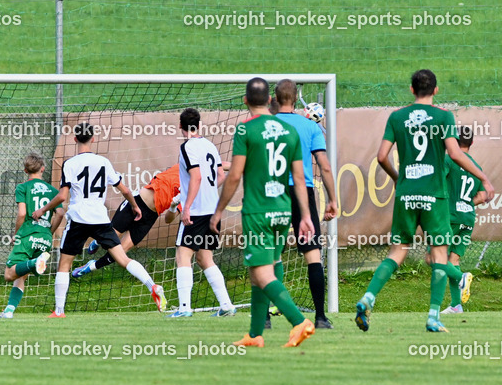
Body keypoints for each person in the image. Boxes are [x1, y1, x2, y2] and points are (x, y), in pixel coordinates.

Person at [355, 69, 494, 333]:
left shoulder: (397, 117)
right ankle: (432, 317)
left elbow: (381, 156)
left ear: (411, 89)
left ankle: (368, 297)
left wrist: (397, 178)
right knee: (440, 253)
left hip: (407, 194)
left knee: (397, 251)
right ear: (436, 90)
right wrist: (484, 178)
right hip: (434, 196)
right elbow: (455, 154)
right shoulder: (443, 116)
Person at [212, 77, 316, 348]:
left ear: (245, 100)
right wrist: (305, 216)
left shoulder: (245, 129)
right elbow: (299, 177)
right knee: (262, 269)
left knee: (261, 273)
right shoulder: (288, 130)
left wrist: (218, 210)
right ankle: (255, 334)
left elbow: (235, 175)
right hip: (282, 210)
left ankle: (299, 321)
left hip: (258, 212)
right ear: (270, 101)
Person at [33, 122, 166, 317]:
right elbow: (125, 190)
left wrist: (42, 210)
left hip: (79, 220)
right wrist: (135, 206)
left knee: (64, 264)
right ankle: (152, 285)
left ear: (75, 139)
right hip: (100, 220)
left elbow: (62, 196)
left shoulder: (70, 164)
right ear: (93, 139)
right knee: (123, 259)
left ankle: (59, 311)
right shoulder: (103, 162)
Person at [273, 80, 339, 329]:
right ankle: (320, 317)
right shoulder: (310, 126)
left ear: (276, 99)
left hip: (273, 192)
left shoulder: (267, 125)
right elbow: (325, 166)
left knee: (269, 254)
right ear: (295, 99)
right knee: (313, 255)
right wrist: (332, 199)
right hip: (303, 192)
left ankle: (264, 318)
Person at [169, 107, 235, 318]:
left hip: (197, 212)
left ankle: (184, 308)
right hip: (212, 211)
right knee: (204, 258)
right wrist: (208, 191)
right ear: (198, 125)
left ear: (180, 125)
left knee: (183, 255)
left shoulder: (187, 147)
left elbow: (196, 177)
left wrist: (187, 207)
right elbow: (221, 176)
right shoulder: (209, 145)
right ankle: (226, 305)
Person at [72, 164, 180, 279]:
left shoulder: (190, 195)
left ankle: (92, 266)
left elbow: (168, 219)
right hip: (137, 201)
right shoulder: (181, 167)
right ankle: (98, 241)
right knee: (112, 236)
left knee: (121, 252)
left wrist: (173, 206)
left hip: (150, 217)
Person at [0, 152, 63, 319]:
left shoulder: (23, 187)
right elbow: (60, 213)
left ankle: (35, 263)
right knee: (22, 274)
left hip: (28, 235)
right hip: (45, 238)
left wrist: (16, 234)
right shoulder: (53, 191)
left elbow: (22, 214)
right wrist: (49, 232)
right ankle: (9, 311)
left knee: (9, 274)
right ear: (43, 169)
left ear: (25, 170)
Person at [440, 125, 487, 314]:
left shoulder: (448, 159)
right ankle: (456, 305)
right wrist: (465, 202)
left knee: (434, 257)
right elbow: (482, 196)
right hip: (467, 218)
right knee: (453, 260)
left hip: (450, 217)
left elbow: (438, 182)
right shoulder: (476, 167)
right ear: (472, 142)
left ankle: (461, 278)